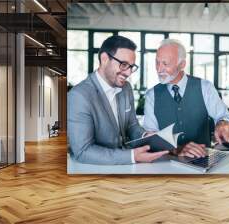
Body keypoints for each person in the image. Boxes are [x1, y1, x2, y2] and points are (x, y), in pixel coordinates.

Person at [68, 35, 168, 165]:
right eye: (124, 64)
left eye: (131, 67)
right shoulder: (79, 96)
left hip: (127, 167)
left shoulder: (126, 88)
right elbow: (83, 151)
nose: (128, 73)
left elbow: (132, 126)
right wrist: (132, 156)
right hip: (95, 171)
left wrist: (146, 136)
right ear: (104, 59)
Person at [143, 39, 229, 158]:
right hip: (166, 162)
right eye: (157, 62)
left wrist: (224, 122)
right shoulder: (152, 95)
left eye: (165, 64)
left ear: (182, 65)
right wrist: (176, 149)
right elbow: (151, 136)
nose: (159, 69)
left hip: (202, 160)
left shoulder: (205, 87)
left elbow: (224, 116)